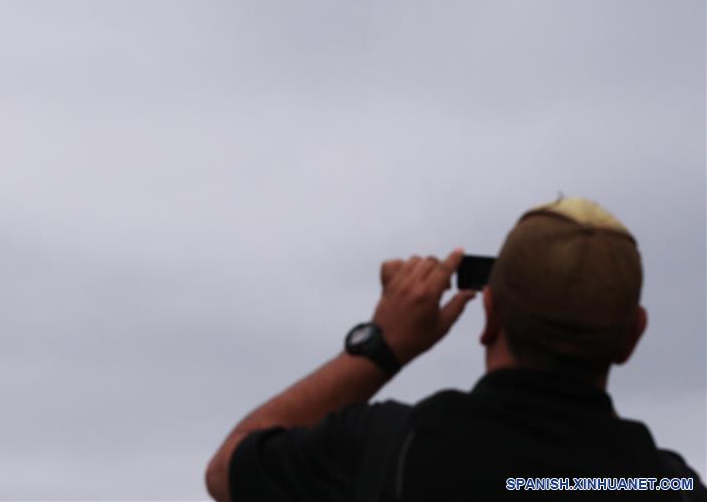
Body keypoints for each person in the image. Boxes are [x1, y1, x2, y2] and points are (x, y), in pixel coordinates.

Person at [205, 197, 706, 501]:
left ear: (488, 317)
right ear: (632, 336)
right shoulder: (665, 487)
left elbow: (227, 469)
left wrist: (381, 347)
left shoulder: (389, 449)